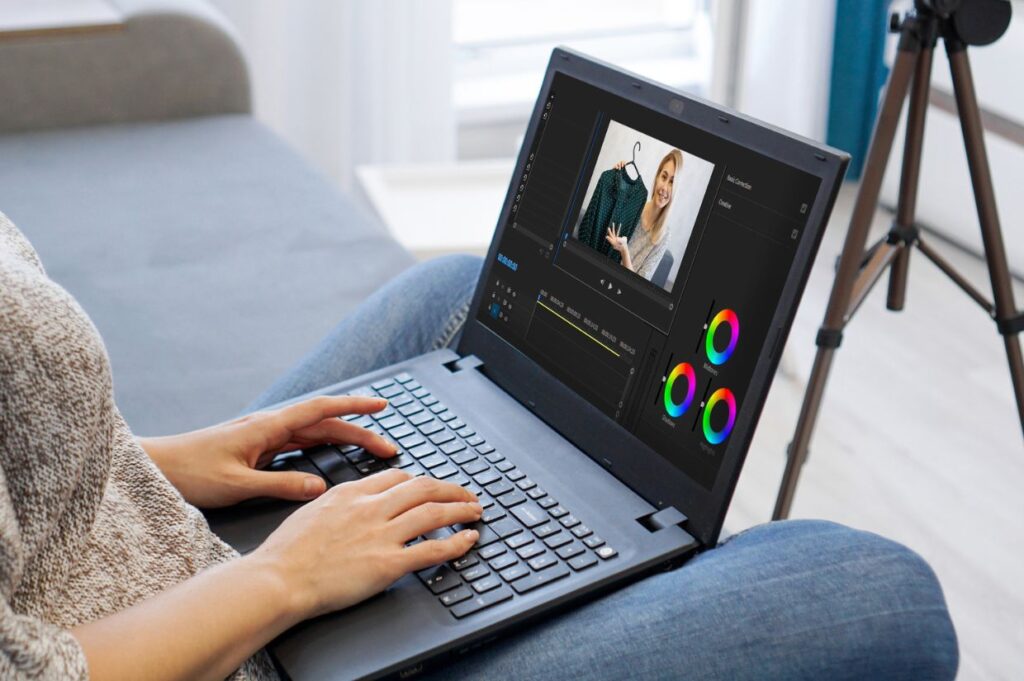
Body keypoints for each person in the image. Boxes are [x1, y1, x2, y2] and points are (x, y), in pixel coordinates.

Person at [0, 211, 959, 680]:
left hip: (123, 538)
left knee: (459, 293)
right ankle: (563, 566)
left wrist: (157, 460)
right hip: (214, 647)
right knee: (881, 586)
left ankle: (570, 548)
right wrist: (285, 579)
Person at [604, 149, 682, 279]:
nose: (664, 187)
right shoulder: (635, 204)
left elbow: (640, 283)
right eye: (664, 177)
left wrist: (624, 251)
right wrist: (615, 178)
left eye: (672, 182)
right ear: (657, 177)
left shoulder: (664, 236)